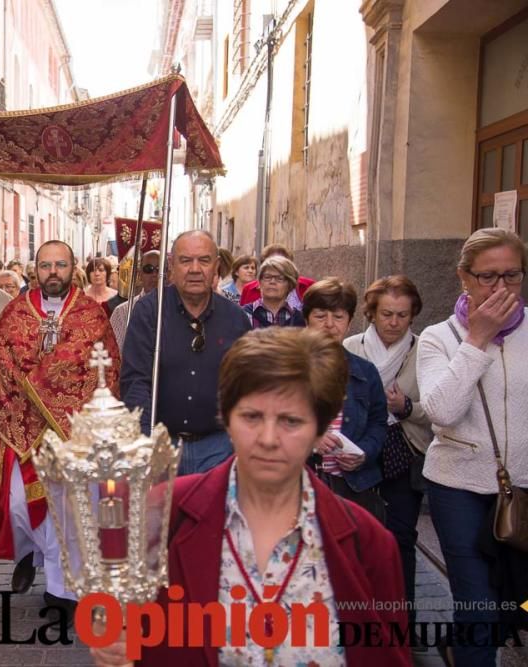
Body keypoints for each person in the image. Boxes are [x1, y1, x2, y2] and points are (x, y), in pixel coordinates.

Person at [91, 327, 409, 666]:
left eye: (290, 420)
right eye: (252, 417)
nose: (268, 439)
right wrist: (110, 640)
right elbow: (117, 621)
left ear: (321, 429)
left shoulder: (369, 544)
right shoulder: (164, 514)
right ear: (226, 419)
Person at [0, 240, 120, 614]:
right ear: (35, 269)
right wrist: (28, 396)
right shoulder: (17, 310)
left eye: (60, 265)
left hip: (73, 433)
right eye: (45, 265)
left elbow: (104, 368)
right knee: (20, 507)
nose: (53, 272)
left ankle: (62, 591)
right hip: (23, 433)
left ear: (73, 268)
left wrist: (45, 384)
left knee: (68, 512)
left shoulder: (91, 314)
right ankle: (30, 554)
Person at [417, 228, 528, 666]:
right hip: (458, 488)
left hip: (523, 487)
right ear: (464, 277)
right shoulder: (437, 338)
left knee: (519, 600)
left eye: (512, 276)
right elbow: (441, 410)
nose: (501, 288)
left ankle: (464, 643)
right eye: (488, 277)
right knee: (477, 602)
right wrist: (477, 339)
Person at [344, 275, 432, 646]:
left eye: (402, 315)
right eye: (386, 314)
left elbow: (442, 409)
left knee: (400, 537)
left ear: (413, 317)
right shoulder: (351, 347)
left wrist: (406, 407)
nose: (394, 322)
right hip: (358, 450)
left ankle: (402, 624)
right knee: (356, 535)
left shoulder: (423, 351)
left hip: (404, 450)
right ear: (371, 313)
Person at [121, 231, 251, 475]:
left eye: (203, 260)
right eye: (185, 260)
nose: (194, 269)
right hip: (161, 444)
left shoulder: (235, 319)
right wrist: (147, 441)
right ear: (171, 266)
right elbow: (136, 381)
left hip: (219, 448)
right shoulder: (149, 312)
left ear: (216, 267)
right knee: (161, 514)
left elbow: (247, 385)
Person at [303, 278, 387, 523]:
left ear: (349, 321)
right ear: (307, 319)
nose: (330, 325)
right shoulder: (286, 368)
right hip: (300, 481)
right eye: (320, 316)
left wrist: (365, 453)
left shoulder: (365, 372)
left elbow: (378, 422)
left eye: (338, 317)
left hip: (352, 487)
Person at [109, 250, 160, 350]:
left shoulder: (178, 309)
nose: (154, 274)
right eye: (148, 269)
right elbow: (113, 352)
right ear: (140, 274)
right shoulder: (122, 312)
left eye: (159, 269)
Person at [239, 243, 315, 307]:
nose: (273, 281)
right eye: (271, 263)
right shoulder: (249, 289)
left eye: (280, 264)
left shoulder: (308, 286)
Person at [243, 255, 306, 328]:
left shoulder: (299, 319)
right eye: (267, 277)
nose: (272, 281)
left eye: (280, 278)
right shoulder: (243, 314)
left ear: (290, 284)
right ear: (260, 282)